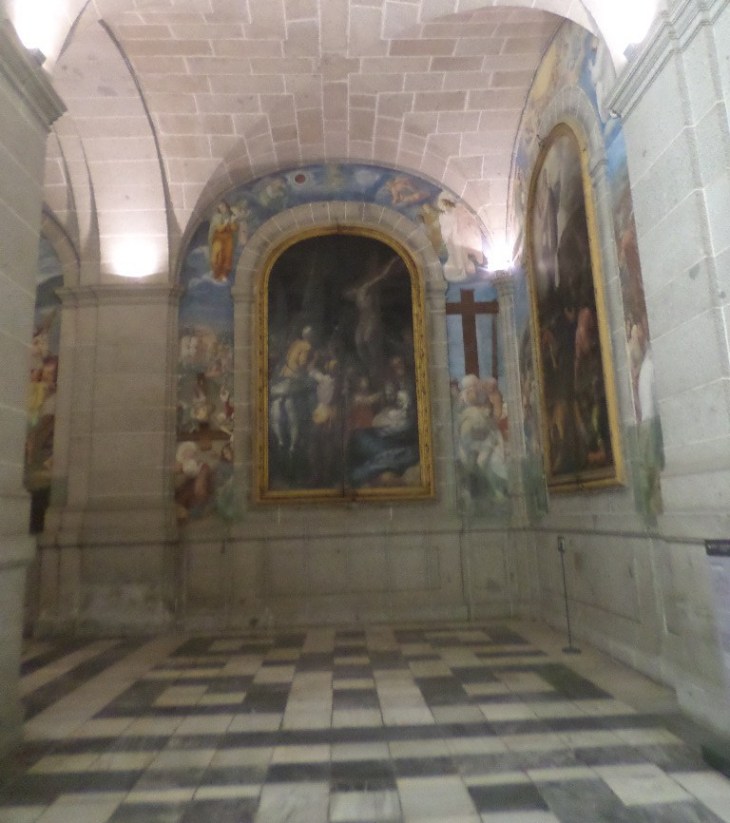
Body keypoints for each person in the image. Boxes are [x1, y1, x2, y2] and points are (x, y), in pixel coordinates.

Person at [208, 201, 238, 282]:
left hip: (228, 240)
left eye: (223, 206)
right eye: (220, 207)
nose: (222, 209)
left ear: (227, 207)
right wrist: (225, 224)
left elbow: (234, 229)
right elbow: (219, 229)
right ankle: (216, 273)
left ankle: (224, 274)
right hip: (218, 239)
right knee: (217, 255)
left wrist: (232, 221)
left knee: (227, 257)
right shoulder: (217, 217)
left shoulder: (231, 216)